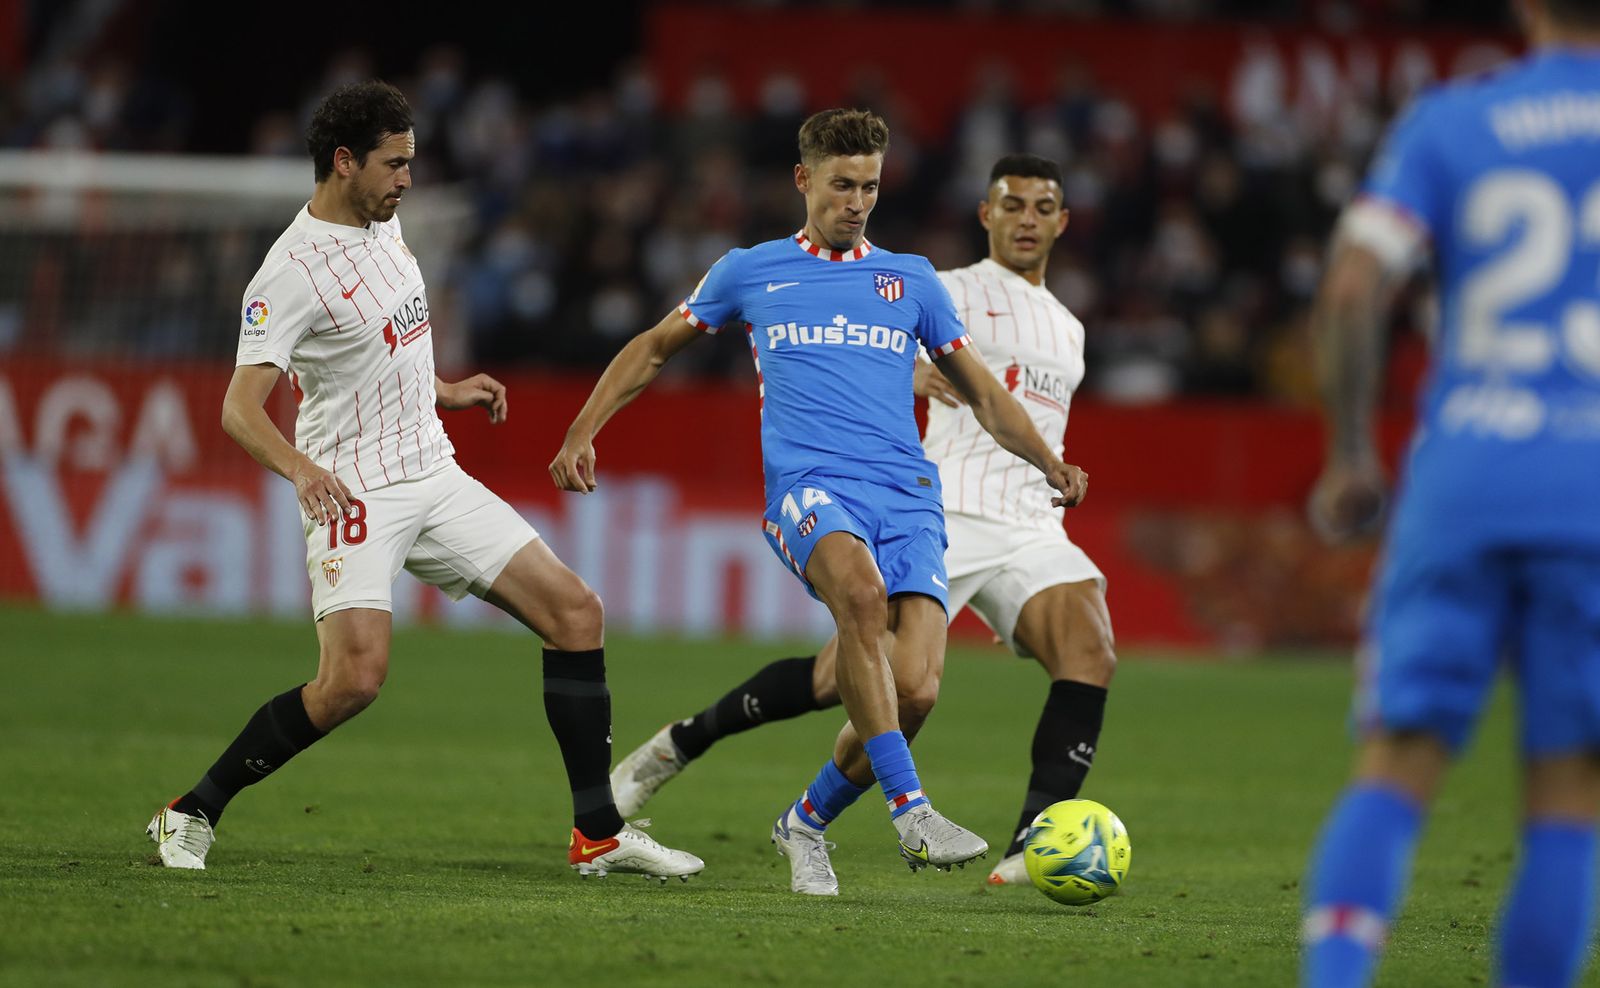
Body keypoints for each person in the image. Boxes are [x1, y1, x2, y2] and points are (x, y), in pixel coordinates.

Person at [145, 80, 701, 883]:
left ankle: (598, 834)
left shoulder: (387, 225)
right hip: (354, 489)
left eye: (410, 163)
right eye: (394, 164)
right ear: (344, 163)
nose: (407, 179)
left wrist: (441, 389)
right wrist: (303, 472)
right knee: (352, 681)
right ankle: (191, 809)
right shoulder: (288, 273)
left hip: (432, 470)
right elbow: (239, 408)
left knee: (577, 614)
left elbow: (377, 345)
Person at [552, 110, 1088, 896]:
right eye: (843, 185)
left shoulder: (911, 280)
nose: (858, 201)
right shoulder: (750, 269)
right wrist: (581, 430)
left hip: (908, 496)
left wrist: (1049, 460)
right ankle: (912, 810)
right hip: (810, 490)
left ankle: (804, 821)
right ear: (804, 181)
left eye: (870, 186)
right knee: (861, 600)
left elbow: (984, 393)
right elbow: (654, 347)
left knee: (917, 692)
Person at [1301, 2, 1600, 984]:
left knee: (1397, 761)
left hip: (1465, 475)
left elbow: (1351, 288)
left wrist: (1350, 452)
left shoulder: (1452, 120)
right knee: (1566, 789)